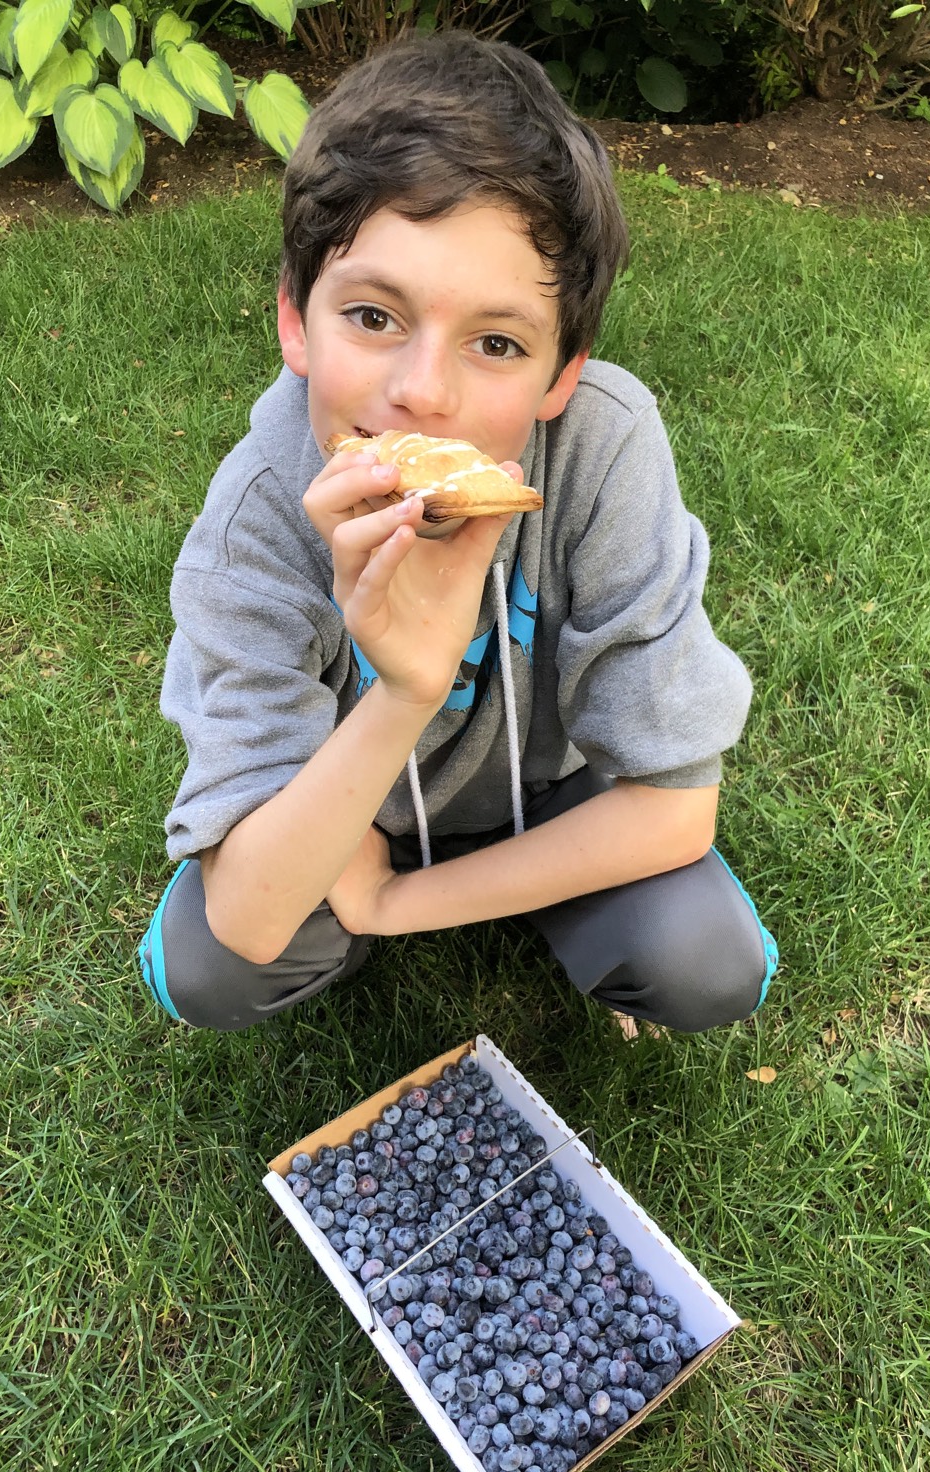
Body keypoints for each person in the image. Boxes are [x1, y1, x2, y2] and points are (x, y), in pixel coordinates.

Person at [137, 30, 778, 1038]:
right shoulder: (261, 508)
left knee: (699, 961)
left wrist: (396, 904)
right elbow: (253, 919)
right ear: (297, 321)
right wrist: (404, 691)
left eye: (495, 342)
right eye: (374, 317)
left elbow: (671, 808)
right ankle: (381, 880)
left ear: (560, 373)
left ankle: (502, 882)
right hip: (341, 799)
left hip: (545, 795)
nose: (423, 396)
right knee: (215, 965)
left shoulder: (604, 445)